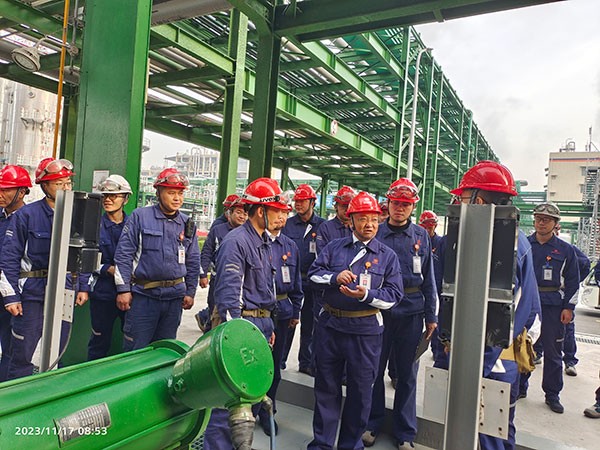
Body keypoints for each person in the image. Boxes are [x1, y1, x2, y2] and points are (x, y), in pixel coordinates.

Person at [449, 160, 541, 449]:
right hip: (500, 356)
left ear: (478, 201)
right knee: (500, 429)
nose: (460, 203)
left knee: (490, 432)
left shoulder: (500, 246)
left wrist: (475, 366)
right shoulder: (512, 239)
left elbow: (500, 314)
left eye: (464, 197)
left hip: (493, 358)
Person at [307, 191, 403, 450]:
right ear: (350, 221)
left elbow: (394, 296)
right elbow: (314, 275)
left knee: (360, 393)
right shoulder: (334, 248)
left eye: (373, 219)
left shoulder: (387, 256)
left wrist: (366, 295)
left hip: (365, 333)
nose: (368, 224)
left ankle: (350, 445)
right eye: (362, 219)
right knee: (326, 388)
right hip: (331, 328)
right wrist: (334, 277)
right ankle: (322, 444)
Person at [203, 177, 289, 450]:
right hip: (241, 328)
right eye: (277, 211)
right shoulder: (236, 242)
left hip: (259, 326)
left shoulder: (263, 242)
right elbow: (229, 298)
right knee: (230, 399)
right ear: (260, 211)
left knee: (247, 398)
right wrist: (236, 342)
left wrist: (268, 326)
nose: (282, 217)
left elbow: (263, 290)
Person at [362, 178, 437, 449]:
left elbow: (429, 278)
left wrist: (431, 316)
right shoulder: (376, 233)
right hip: (379, 311)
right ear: (388, 203)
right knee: (374, 370)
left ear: (412, 207)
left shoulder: (421, 236)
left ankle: (405, 432)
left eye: (405, 204)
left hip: (412, 312)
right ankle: (372, 423)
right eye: (396, 203)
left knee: (407, 374)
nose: (400, 208)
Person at [0, 158, 90, 380]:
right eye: (58, 183)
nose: (65, 188)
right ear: (44, 185)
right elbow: (9, 258)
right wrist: (11, 297)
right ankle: (16, 396)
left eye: (67, 183)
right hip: (31, 294)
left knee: (57, 352)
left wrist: (82, 285)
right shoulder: (27, 215)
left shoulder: (77, 215)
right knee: (22, 354)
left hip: (64, 291)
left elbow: (84, 251)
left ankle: (48, 392)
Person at [114, 168, 200, 351]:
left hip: (174, 299)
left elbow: (193, 260)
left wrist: (190, 291)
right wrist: (123, 290)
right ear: (159, 193)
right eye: (171, 193)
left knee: (165, 351)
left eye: (180, 193)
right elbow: (123, 254)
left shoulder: (187, 224)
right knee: (135, 351)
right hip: (144, 298)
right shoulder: (140, 217)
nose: (177, 198)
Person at [519, 202, 579, 414]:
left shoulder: (565, 250)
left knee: (553, 352)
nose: (541, 223)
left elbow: (573, 281)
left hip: (553, 305)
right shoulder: (525, 245)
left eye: (546, 220)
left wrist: (569, 307)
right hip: (528, 304)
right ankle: (520, 387)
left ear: (555, 224)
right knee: (524, 346)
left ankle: (552, 394)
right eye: (538, 218)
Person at [257, 202, 303, 436]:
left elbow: (296, 283)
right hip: (257, 313)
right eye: (278, 212)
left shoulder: (290, 246)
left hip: (282, 312)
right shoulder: (254, 242)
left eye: (286, 213)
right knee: (254, 363)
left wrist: (296, 311)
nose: (282, 217)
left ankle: (268, 410)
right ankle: (247, 410)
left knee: (274, 367)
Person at [281, 183, 325, 375]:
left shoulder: (322, 226)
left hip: (313, 282)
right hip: (292, 281)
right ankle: (280, 360)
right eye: (296, 201)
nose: (298, 204)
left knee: (310, 323)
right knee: (288, 320)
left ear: (312, 202)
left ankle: (306, 363)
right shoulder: (288, 224)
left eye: (302, 201)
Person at [87, 175, 132, 361]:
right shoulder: (93, 225)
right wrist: (108, 269)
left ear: (125, 199)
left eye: (114, 196)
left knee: (131, 340)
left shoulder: (133, 225)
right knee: (99, 341)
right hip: (102, 293)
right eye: (105, 196)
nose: (108, 200)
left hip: (130, 292)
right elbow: (87, 258)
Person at [195, 197, 247, 332]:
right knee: (215, 313)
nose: (242, 216)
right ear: (230, 213)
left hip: (240, 283)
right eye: (238, 212)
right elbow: (206, 252)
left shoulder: (249, 235)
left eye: (245, 213)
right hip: (218, 280)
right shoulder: (218, 230)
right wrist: (203, 275)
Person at [0, 165, 32, 381]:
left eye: (6, 190)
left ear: (21, 192)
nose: (0, 194)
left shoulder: (30, 218)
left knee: (11, 347)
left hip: (13, 293)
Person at [418, 210, 448, 369]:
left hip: (437, 289)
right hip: (419, 288)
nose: (428, 229)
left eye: (431, 226)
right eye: (426, 226)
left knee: (436, 322)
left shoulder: (440, 243)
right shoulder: (417, 240)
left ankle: (437, 350)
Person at [315, 185, 357, 253]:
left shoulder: (358, 228)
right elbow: (322, 254)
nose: (347, 209)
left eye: (350, 206)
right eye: (344, 206)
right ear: (336, 206)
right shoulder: (326, 228)